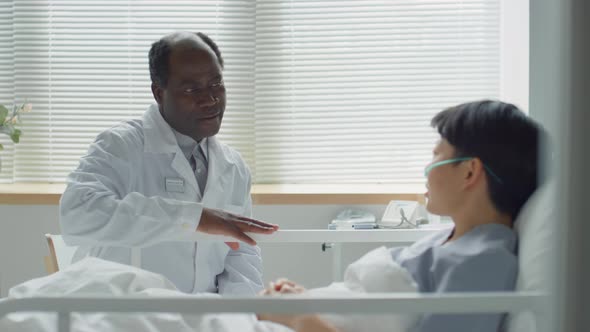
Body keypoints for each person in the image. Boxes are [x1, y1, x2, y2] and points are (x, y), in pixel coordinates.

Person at [257, 100, 545, 332]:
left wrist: (298, 316)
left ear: (469, 171)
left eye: (436, 155)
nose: (427, 168)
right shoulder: (452, 240)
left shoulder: (484, 262)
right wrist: (304, 300)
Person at [59, 31, 278, 295]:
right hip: (126, 315)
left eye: (215, 84)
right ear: (159, 92)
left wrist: (241, 317)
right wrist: (193, 218)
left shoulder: (233, 166)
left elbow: (241, 257)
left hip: (201, 320)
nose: (209, 99)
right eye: (191, 89)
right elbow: (77, 214)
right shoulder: (120, 145)